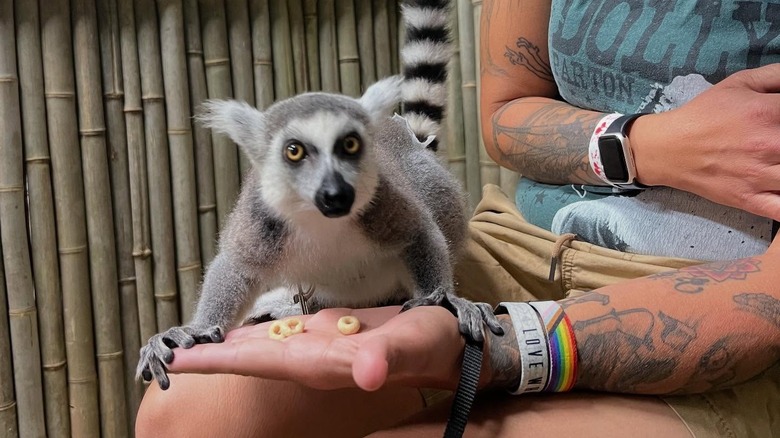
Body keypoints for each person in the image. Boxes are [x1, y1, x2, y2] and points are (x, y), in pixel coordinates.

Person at [135, 1, 780, 436]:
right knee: (185, 414)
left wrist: (496, 347)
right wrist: (643, 144)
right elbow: (507, 113)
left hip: (721, 297)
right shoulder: (279, 213)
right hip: (522, 250)